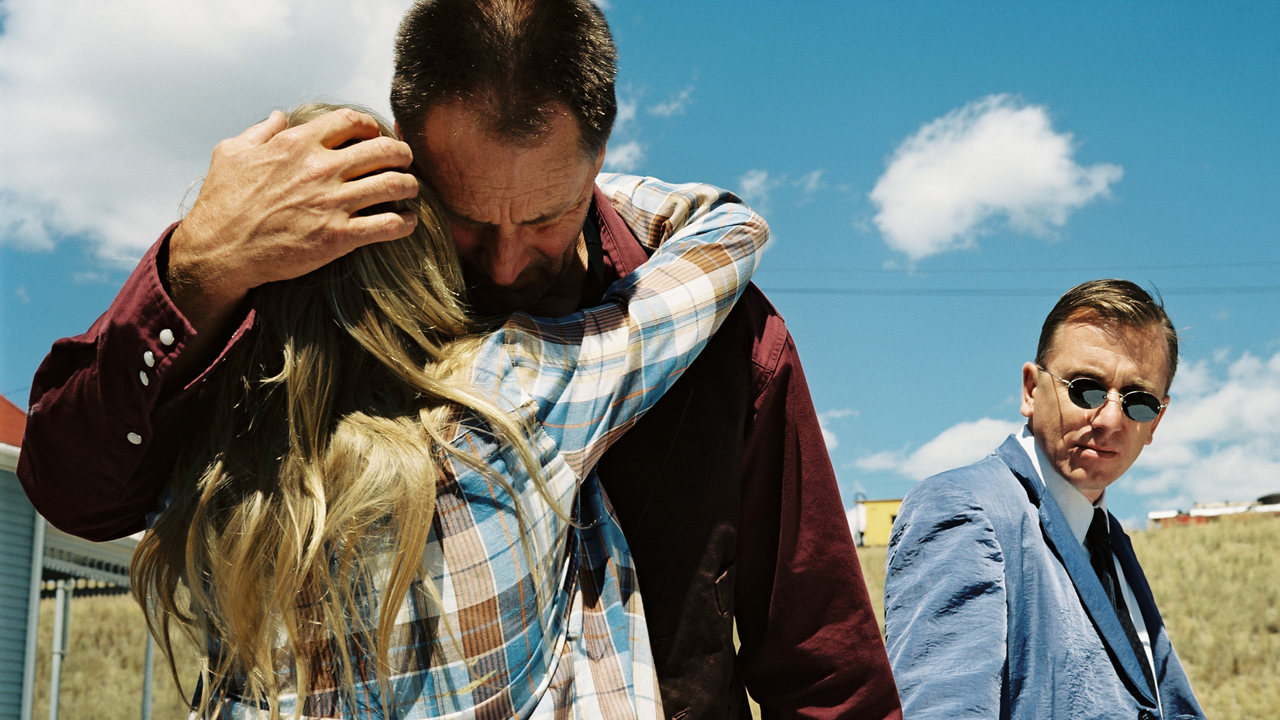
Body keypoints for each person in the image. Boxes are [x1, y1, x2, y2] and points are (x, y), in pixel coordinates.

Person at [19, 1, 900, 717]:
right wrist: (200, 268)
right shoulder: (308, 304)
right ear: (402, 146)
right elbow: (74, 491)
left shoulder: (733, 348)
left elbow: (822, 666)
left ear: (599, 154)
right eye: (469, 218)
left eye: (546, 217)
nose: (509, 263)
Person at [142, 101, 768, 717]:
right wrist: (568, 183)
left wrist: (210, 251)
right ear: (419, 256)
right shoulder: (512, 398)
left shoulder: (203, 489)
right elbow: (728, 231)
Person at [883, 279, 1205, 720]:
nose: (1110, 418)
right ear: (1031, 391)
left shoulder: (1109, 540)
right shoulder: (962, 509)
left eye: (1139, 401)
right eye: (1086, 388)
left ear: (1156, 421)